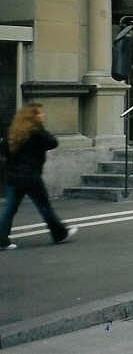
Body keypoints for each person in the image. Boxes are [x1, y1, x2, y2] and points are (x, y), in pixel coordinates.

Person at [0, 104, 78, 250]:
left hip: (13, 176)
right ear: (33, 117)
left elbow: (5, 152)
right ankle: (59, 233)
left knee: (10, 208)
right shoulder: (36, 133)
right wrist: (41, 127)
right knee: (44, 206)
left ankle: (2, 239)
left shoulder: (13, 133)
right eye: (39, 114)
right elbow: (53, 142)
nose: (42, 116)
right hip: (30, 175)